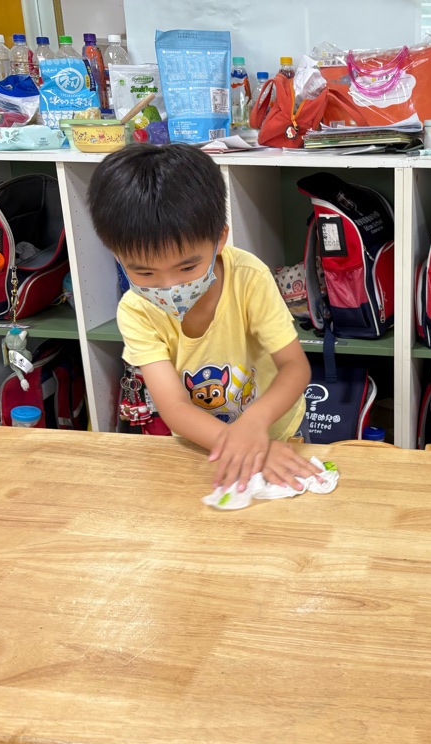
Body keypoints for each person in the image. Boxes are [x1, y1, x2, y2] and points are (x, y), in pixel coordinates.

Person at [88, 143, 315, 492]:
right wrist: (242, 446)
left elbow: (294, 367)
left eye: (187, 267)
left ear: (220, 238)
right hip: (201, 447)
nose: (170, 287)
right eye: (145, 273)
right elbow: (174, 407)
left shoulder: (248, 278)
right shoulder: (136, 310)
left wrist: (255, 429)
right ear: (117, 256)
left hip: (277, 435)